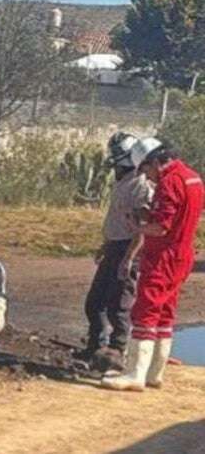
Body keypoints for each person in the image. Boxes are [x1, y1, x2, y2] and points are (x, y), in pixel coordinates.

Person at [102, 138, 204, 391]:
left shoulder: (169, 182)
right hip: (182, 253)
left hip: (163, 256)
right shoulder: (192, 177)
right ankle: (154, 373)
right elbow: (178, 216)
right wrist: (149, 214)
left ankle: (134, 374)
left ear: (156, 162)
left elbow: (161, 227)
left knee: (145, 312)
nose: (147, 177)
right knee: (165, 313)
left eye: (147, 170)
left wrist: (137, 226)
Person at [78, 133, 154, 366]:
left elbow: (142, 228)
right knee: (94, 303)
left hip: (127, 250)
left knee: (119, 305)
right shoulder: (121, 181)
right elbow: (118, 220)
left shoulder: (141, 186)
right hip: (114, 247)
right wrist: (106, 246)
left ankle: (117, 351)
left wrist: (129, 258)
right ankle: (96, 346)